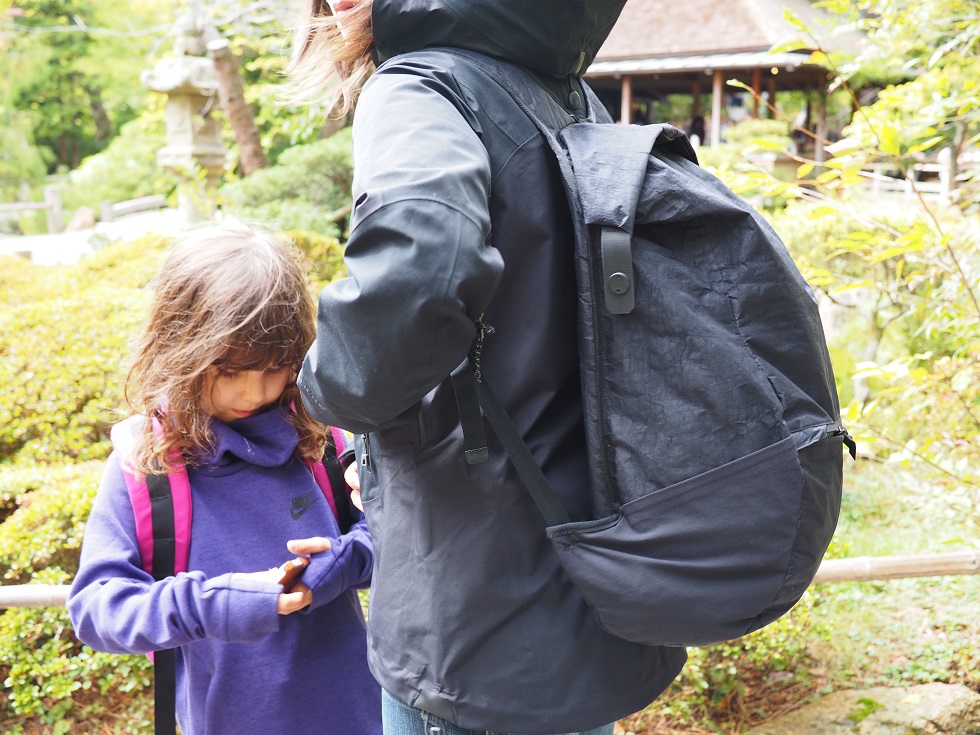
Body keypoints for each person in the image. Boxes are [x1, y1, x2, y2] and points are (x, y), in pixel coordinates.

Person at [287, 2, 688, 735]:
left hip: (476, 619)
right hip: (586, 590)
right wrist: (387, 445)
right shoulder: (559, 87)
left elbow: (423, 269)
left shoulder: (420, 86)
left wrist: (328, 390)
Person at [66, 224, 381, 735]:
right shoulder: (146, 464)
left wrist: (344, 564)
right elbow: (97, 609)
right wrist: (217, 606)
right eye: (230, 369)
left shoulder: (321, 437)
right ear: (179, 347)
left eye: (276, 367)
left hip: (357, 716)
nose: (256, 391)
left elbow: (397, 538)